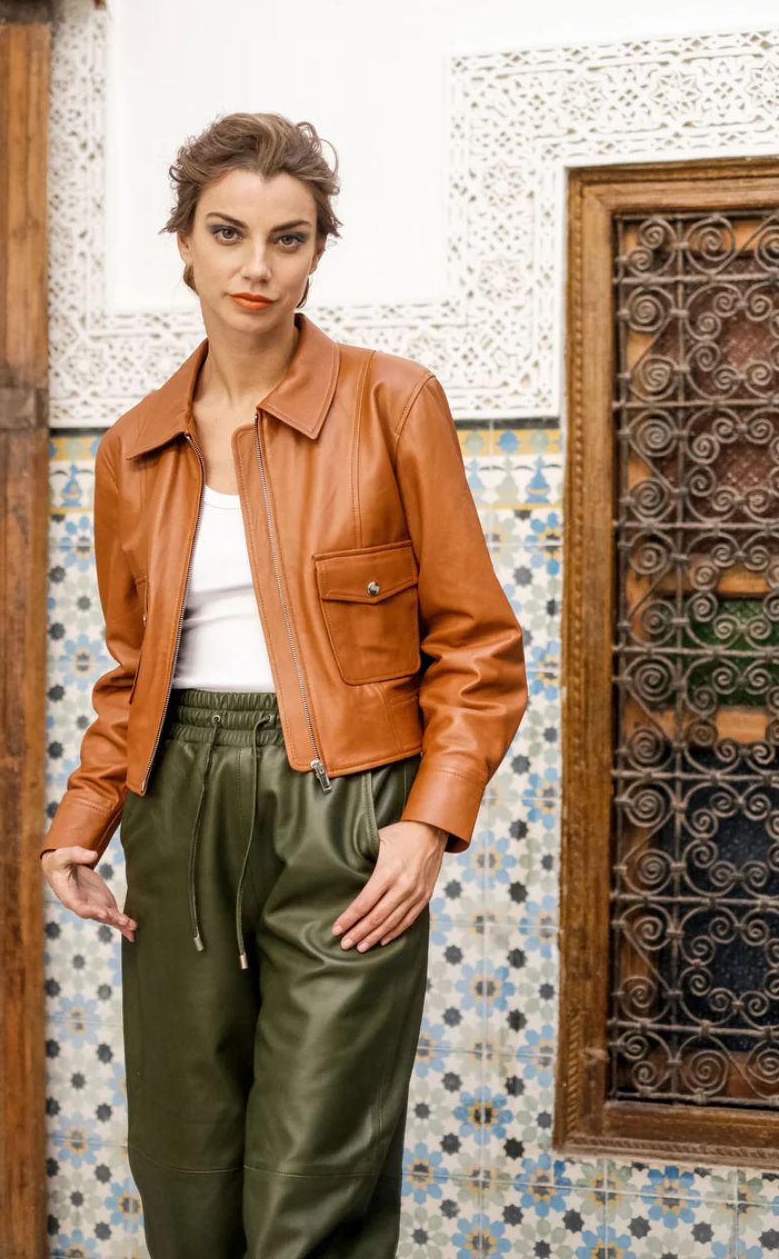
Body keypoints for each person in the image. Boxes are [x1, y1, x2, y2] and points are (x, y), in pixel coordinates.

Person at [40, 112, 528, 1257]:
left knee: (311, 1181)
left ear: (317, 252)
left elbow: (478, 643)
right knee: (186, 1169)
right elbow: (132, 669)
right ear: (184, 243)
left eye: (287, 238)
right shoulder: (131, 446)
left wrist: (426, 821)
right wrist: (81, 821)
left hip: (345, 803)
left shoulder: (392, 401)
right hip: (176, 801)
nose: (255, 265)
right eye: (228, 232)